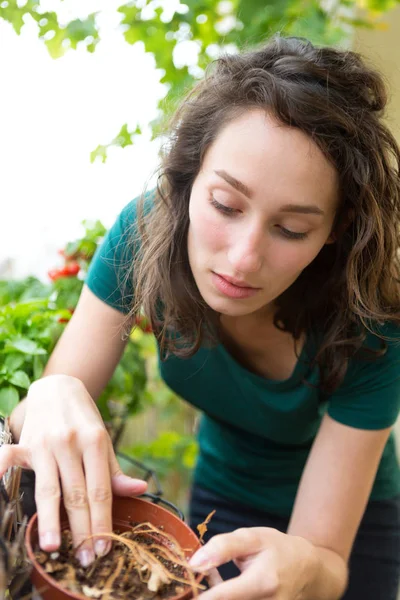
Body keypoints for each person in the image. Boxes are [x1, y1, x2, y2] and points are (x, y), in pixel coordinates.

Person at [2, 33, 400, 600]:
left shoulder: (375, 320)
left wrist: (307, 565)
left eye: (292, 229)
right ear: (187, 180)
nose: (243, 260)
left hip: (358, 521)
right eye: (225, 205)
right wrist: (49, 393)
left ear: (334, 233)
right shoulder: (142, 235)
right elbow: (41, 419)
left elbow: (329, 561)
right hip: (226, 488)